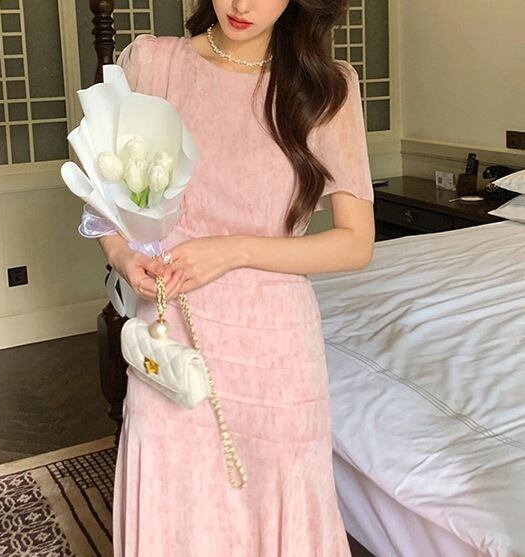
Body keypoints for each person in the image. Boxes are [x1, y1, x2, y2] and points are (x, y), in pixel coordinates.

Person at [94, 0, 375, 554]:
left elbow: (355, 243)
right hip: (171, 331)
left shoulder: (327, 88)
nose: (242, 5)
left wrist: (235, 251)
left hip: (275, 348)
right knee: (174, 500)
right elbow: (106, 200)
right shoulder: (154, 65)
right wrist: (123, 258)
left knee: (276, 498)